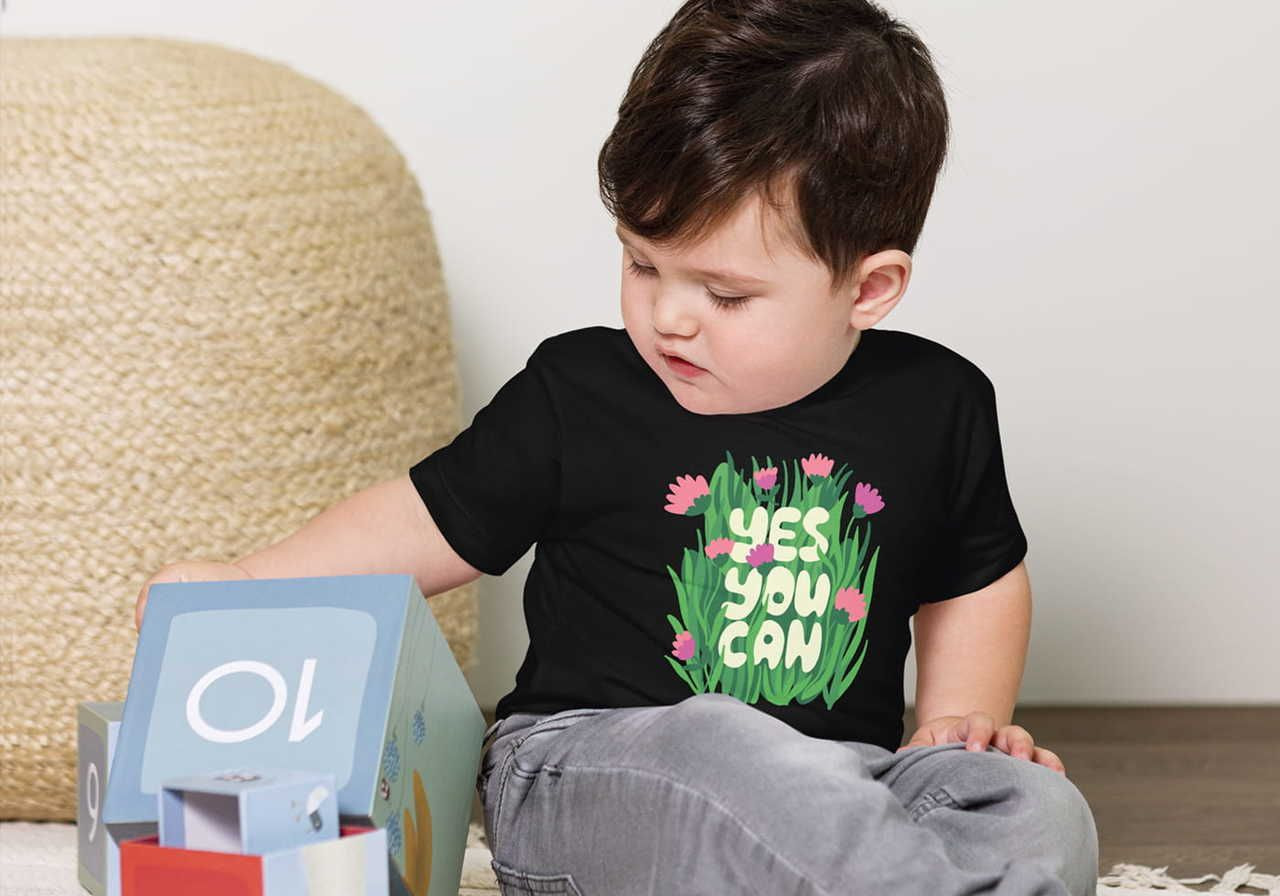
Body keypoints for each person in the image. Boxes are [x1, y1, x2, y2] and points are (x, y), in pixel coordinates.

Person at [135, 1, 1099, 893]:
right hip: (587, 765)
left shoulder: (936, 403)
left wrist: (951, 731)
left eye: (724, 294)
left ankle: (898, 869)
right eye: (642, 262)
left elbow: (976, 574)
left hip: (846, 784)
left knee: (1036, 807)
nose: (668, 317)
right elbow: (424, 521)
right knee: (722, 750)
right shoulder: (579, 391)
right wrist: (251, 582)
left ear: (869, 289)